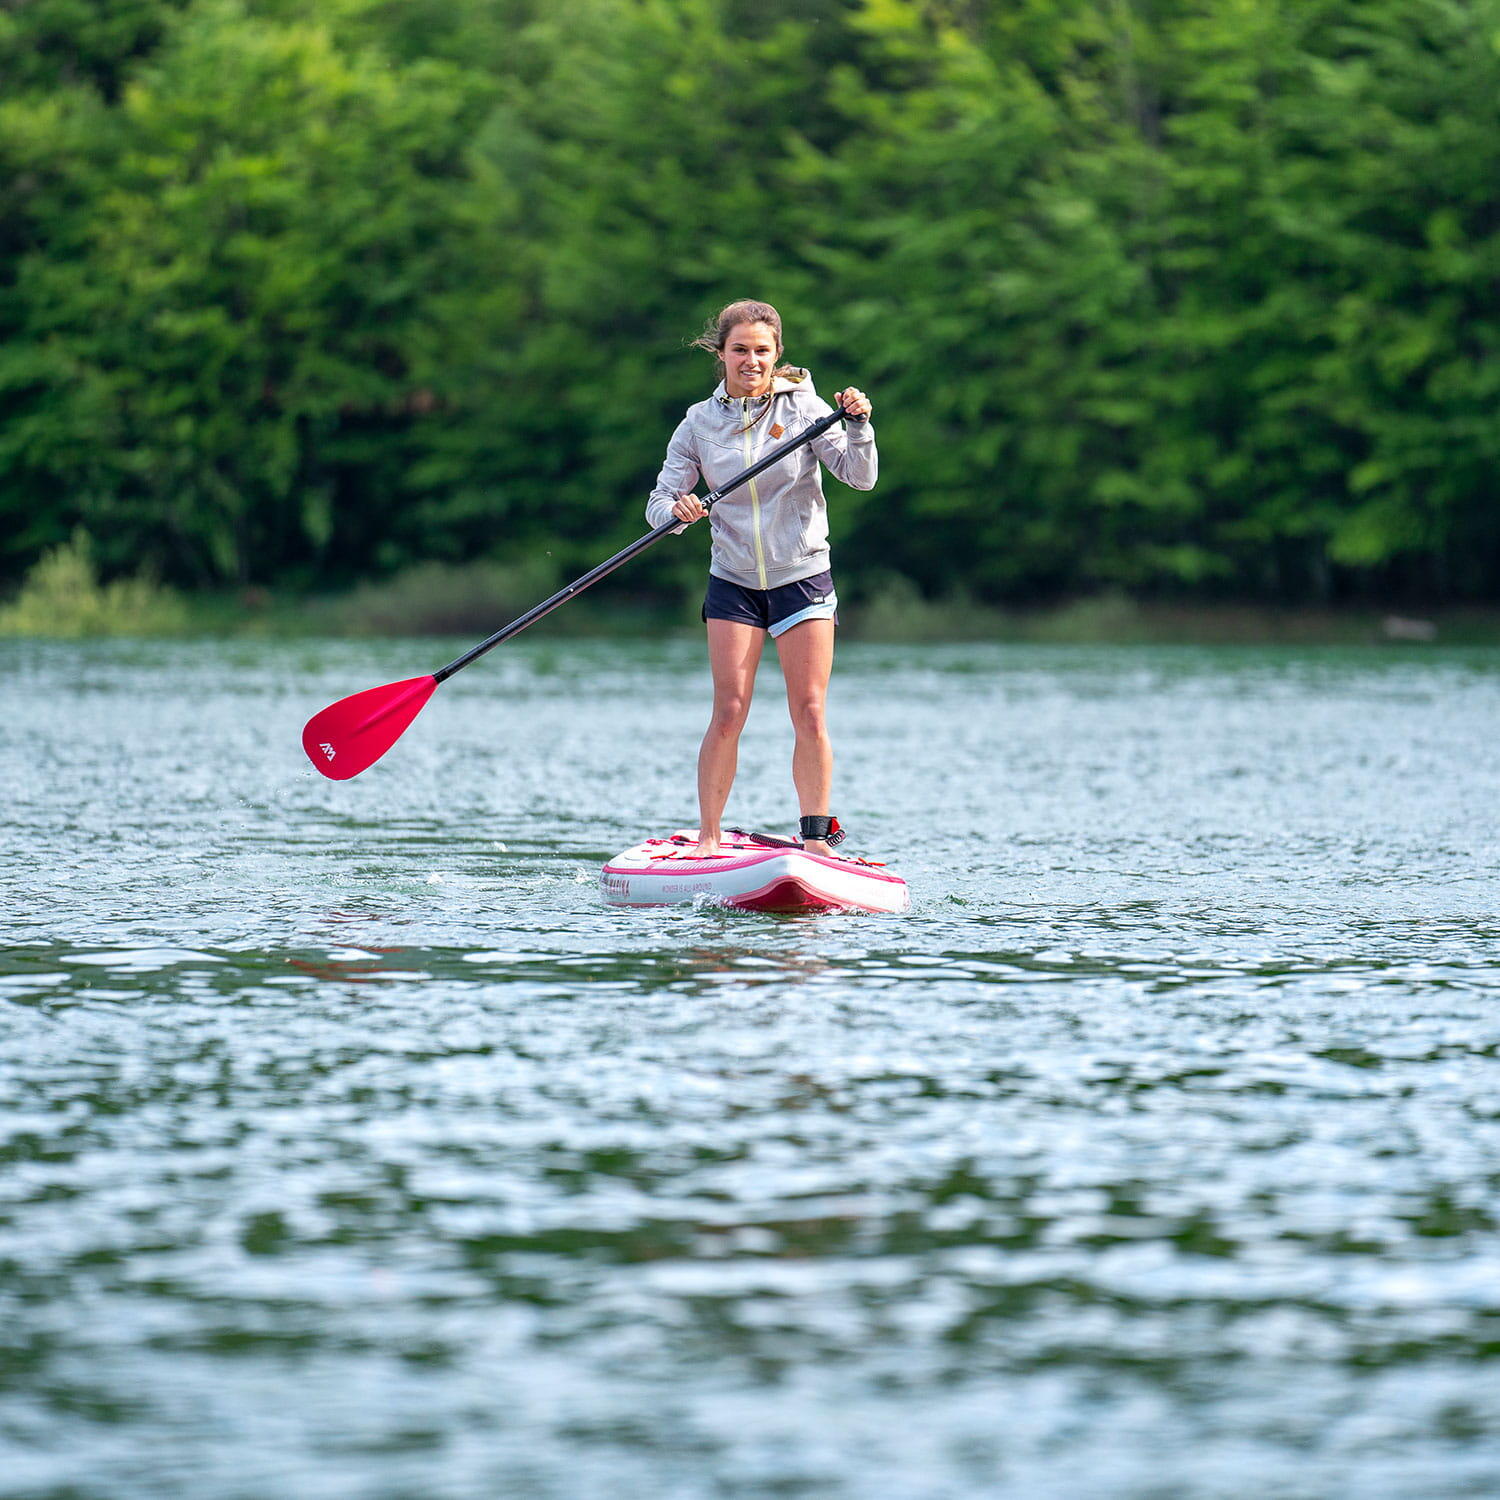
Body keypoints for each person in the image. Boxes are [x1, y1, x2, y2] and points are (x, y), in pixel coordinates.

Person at [645, 298, 877, 859]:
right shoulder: (698, 423)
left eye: (762, 351)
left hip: (802, 576)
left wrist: (861, 424)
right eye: (740, 350)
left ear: (778, 355)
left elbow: (860, 476)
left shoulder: (806, 408)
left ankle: (817, 840)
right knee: (728, 710)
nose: (752, 360)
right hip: (734, 580)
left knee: (811, 709)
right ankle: (707, 838)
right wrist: (676, 514)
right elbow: (657, 504)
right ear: (721, 353)